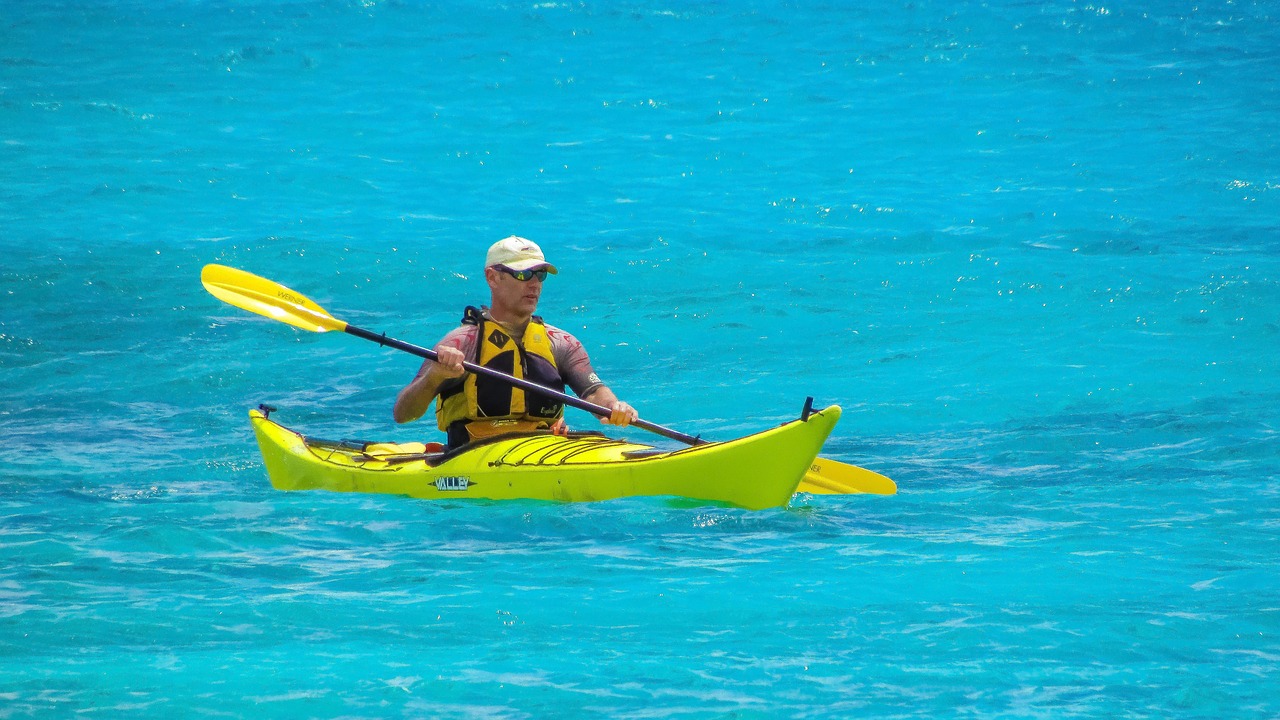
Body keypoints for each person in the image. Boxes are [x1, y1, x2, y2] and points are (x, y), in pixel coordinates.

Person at [393, 236, 639, 447]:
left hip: (544, 451)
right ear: (492, 277)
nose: (534, 284)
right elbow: (403, 413)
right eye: (523, 274)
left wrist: (614, 406)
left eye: (540, 274)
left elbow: (593, 391)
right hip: (473, 456)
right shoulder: (461, 344)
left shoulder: (561, 343)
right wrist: (435, 377)